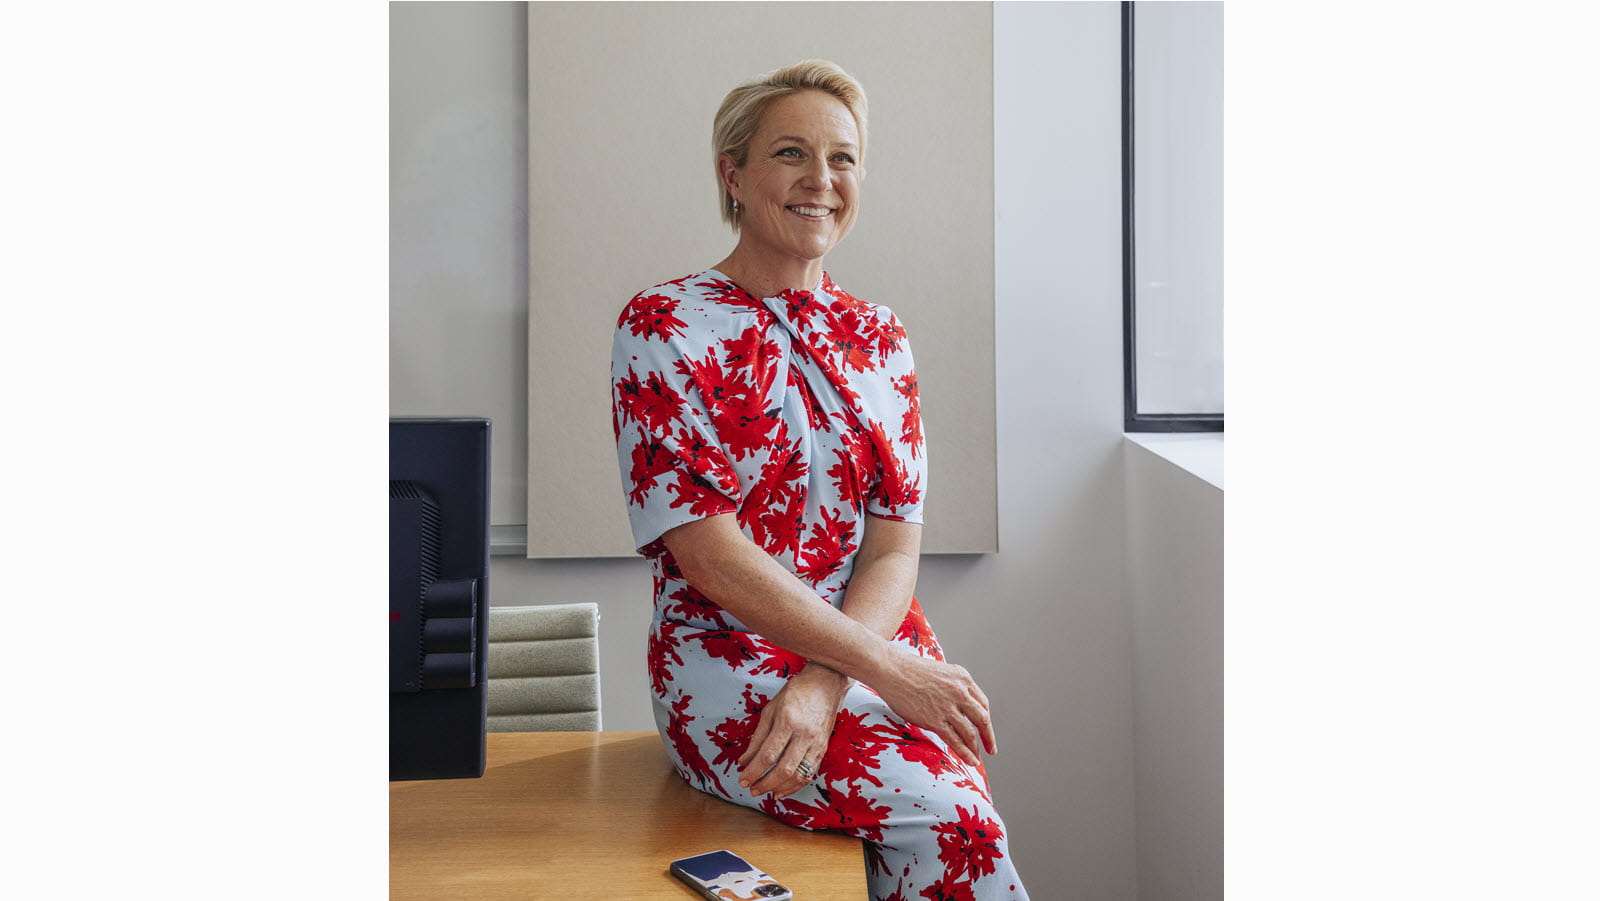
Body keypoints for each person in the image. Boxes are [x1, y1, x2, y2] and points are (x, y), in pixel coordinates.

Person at [611, 60, 1029, 901]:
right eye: (791, 153)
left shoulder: (881, 336)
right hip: (726, 657)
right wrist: (882, 671)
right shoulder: (661, 323)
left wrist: (838, 676)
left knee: (959, 812)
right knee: (954, 820)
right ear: (733, 174)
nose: (821, 180)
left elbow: (890, 549)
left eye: (843, 158)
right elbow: (709, 556)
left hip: (868, 651)